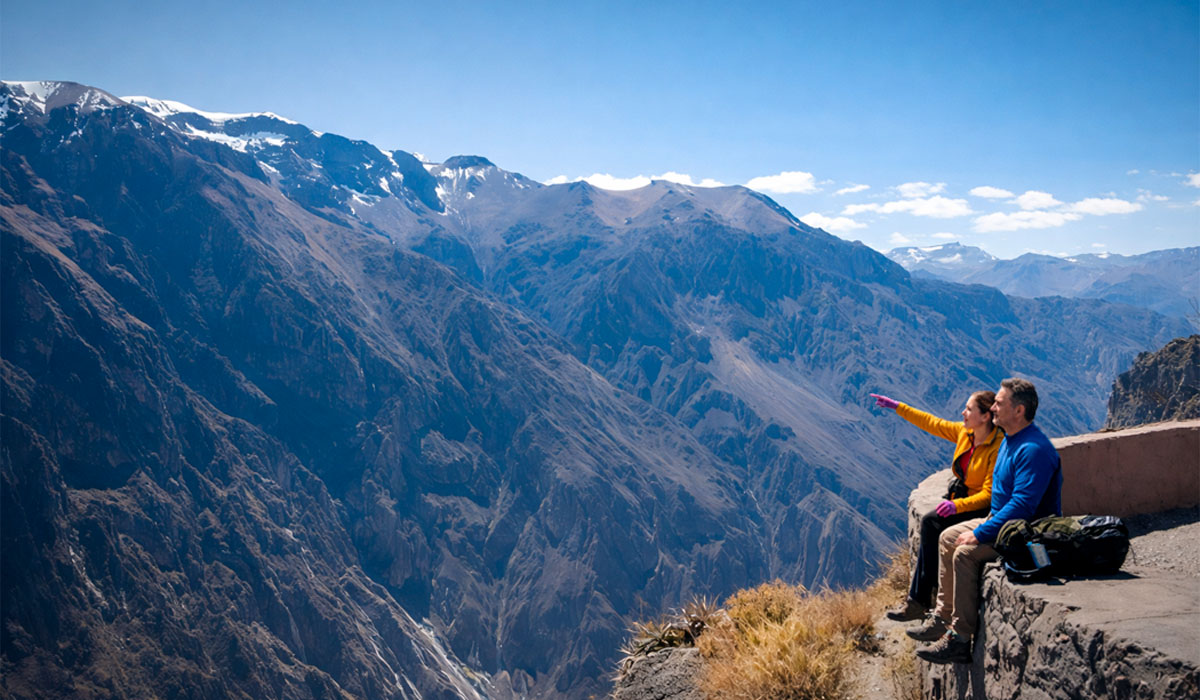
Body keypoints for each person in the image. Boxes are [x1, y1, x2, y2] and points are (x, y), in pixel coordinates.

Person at [912, 377, 1062, 664]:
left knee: (965, 553)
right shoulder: (1010, 440)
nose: (993, 407)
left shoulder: (1033, 450)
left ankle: (959, 638)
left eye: (999, 403)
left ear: (1018, 411)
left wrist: (981, 533)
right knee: (947, 537)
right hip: (1001, 522)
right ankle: (942, 618)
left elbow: (1023, 506)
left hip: (1025, 533)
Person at [870, 391, 1003, 623]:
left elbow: (988, 495)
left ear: (984, 416)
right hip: (962, 501)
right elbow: (932, 423)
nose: (963, 412)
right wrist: (898, 406)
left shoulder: (998, 446)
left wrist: (956, 506)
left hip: (982, 508)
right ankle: (920, 599)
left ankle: (919, 601)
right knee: (931, 524)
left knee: (931, 523)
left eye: (969, 409)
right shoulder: (966, 433)